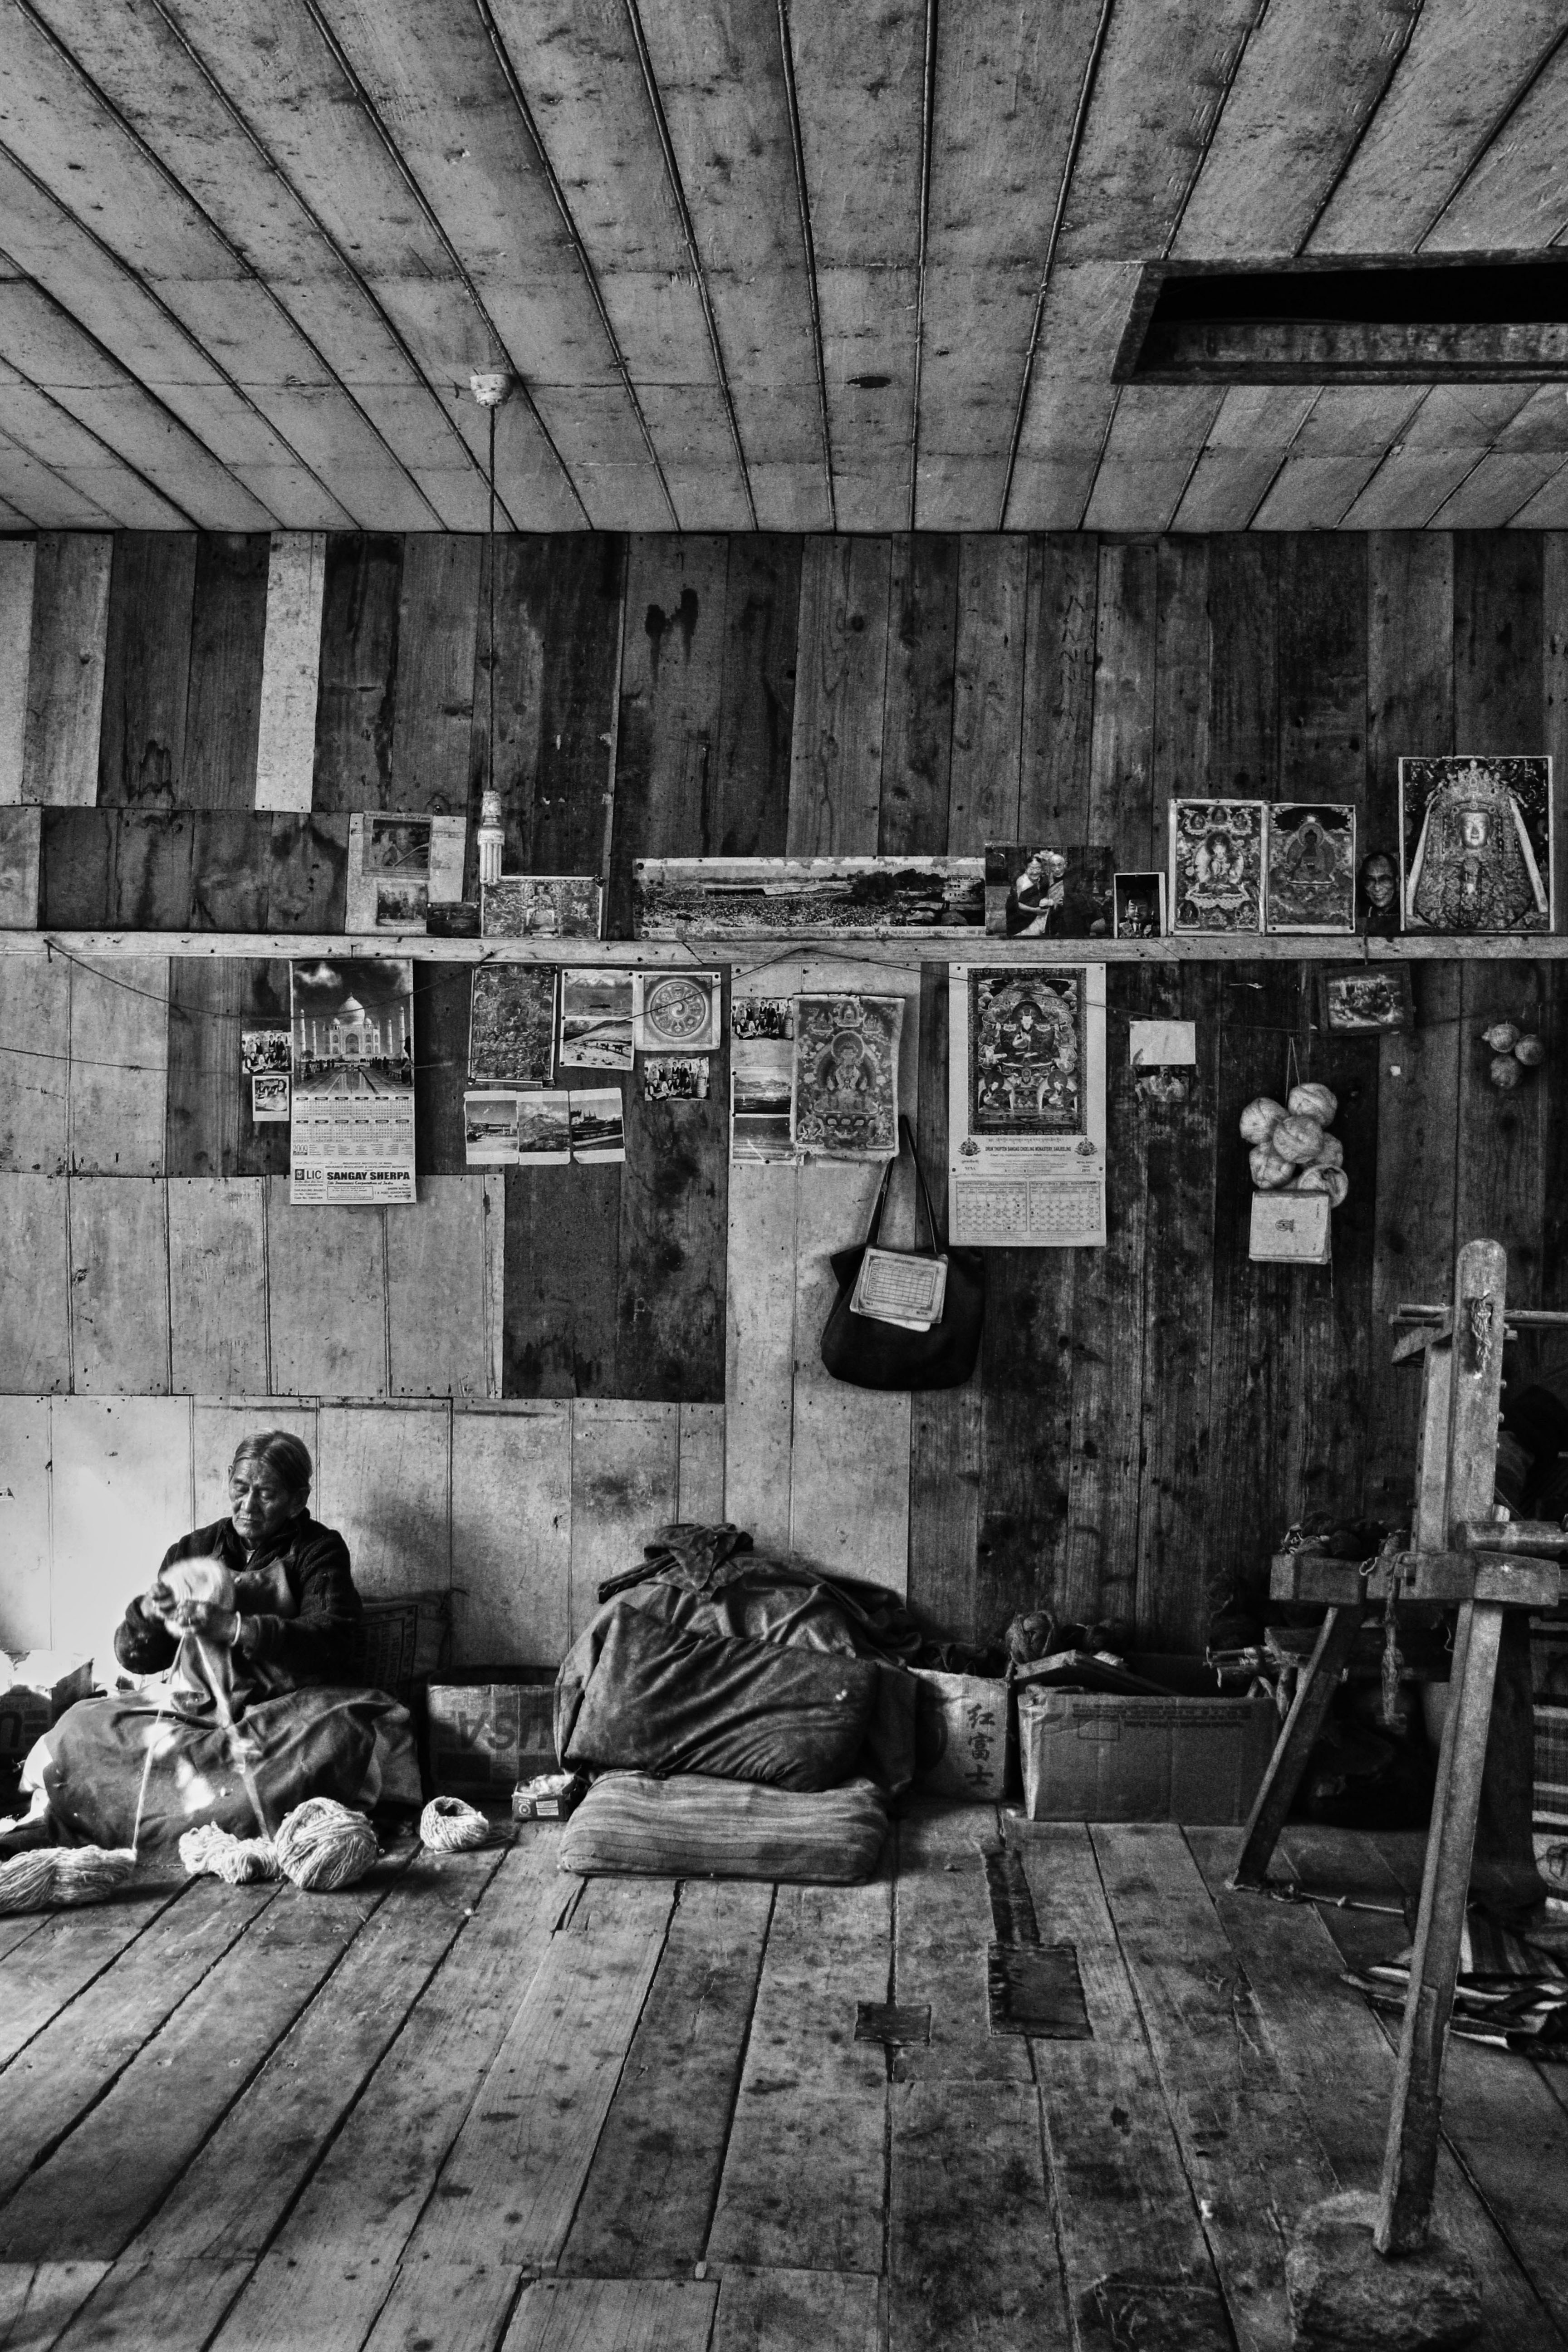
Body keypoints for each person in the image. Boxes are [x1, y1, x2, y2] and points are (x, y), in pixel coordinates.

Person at [1, 1431, 421, 1858]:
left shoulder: (318, 1550)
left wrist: (236, 1628)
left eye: (266, 1494)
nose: (248, 1506)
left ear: (298, 1500)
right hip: (190, 1706)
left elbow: (334, 1638)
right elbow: (136, 1659)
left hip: (276, 1714)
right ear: (228, 1483)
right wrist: (147, 1616)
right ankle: (103, 1818)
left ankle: (175, 1820)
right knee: (79, 1727)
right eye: (240, 1489)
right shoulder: (194, 1550)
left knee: (352, 1726)